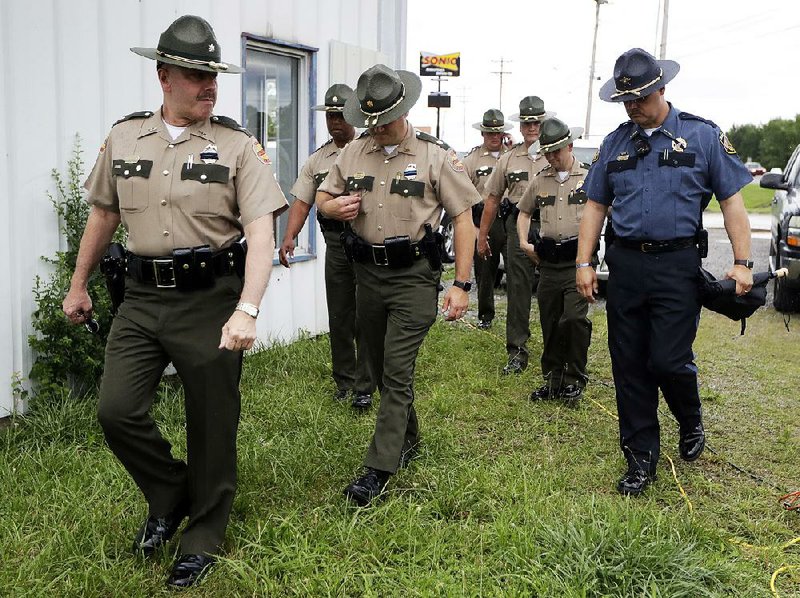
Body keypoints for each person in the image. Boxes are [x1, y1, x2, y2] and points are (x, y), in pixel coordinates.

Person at [61, 15, 287, 587]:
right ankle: (170, 493)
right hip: (139, 297)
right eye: (196, 75)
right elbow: (105, 215)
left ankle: (204, 531)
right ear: (164, 76)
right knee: (116, 410)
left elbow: (260, 230)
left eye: (213, 75)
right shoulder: (125, 137)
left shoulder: (236, 145)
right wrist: (79, 283)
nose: (209, 86)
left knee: (212, 421)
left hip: (210, 298)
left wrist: (248, 308)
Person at [576, 48, 753, 496]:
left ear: (661, 88)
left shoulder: (702, 136)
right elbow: (596, 205)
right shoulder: (615, 142)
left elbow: (732, 201)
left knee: (669, 360)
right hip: (626, 264)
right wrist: (584, 261)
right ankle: (640, 458)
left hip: (677, 265)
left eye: (638, 96)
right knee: (629, 364)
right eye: (624, 98)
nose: (632, 105)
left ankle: (690, 421)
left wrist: (742, 261)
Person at [316, 64, 481, 506]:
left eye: (386, 119)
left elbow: (464, 218)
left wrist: (461, 283)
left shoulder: (433, 155)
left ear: (404, 108)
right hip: (366, 276)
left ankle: (378, 467)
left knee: (395, 368)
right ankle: (408, 437)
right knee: (374, 361)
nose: (378, 129)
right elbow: (322, 197)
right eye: (371, 121)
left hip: (413, 278)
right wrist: (333, 210)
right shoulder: (352, 153)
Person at [279, 84, 375, 410]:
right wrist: (290, 237)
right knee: (340, 314)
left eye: (341, 115)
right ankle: (345, 382)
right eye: (330, 115)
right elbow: (302, 201)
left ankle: (366, 384)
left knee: (367, 314)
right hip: (335, 245)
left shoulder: (371, 150)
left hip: (367, 244)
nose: (335, 121)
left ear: (354, 115)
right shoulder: (318, 160)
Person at [517, 117, 592, 407]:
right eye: (547, 152)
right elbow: (523, 212)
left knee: (573, 319)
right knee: (549, 320)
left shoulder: (588, 178)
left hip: (577, 262)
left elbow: (604, 212)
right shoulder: (540, 180)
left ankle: (575, 378)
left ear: (570, 146)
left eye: (556, 151)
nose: (551, 157)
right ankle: (554, 378)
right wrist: (524, 242)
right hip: (548, 263)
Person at [478, 96, 553, 374]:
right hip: (517, 226)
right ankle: (517, 351)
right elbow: (492, 198)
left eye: (536, 122)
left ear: (543, 123)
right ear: (520, 126)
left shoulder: (555, 154)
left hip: (550, 225)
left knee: (554, 289)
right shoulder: (508, 159)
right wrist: (482, 235)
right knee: (518, 289)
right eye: (527, 123)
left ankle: (556, 350)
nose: (532, 127)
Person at [462, 108, 512, 330]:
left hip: (509, 216)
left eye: (498, 133)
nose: (494, 137)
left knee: (517, 269)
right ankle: (485, 316)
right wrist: (473, 226)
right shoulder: (472, 160)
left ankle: (516, 314)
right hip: (483, 219)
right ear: (482, 134)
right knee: (485, 271)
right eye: (489, 133)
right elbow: (463, 194)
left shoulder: (512, 155)